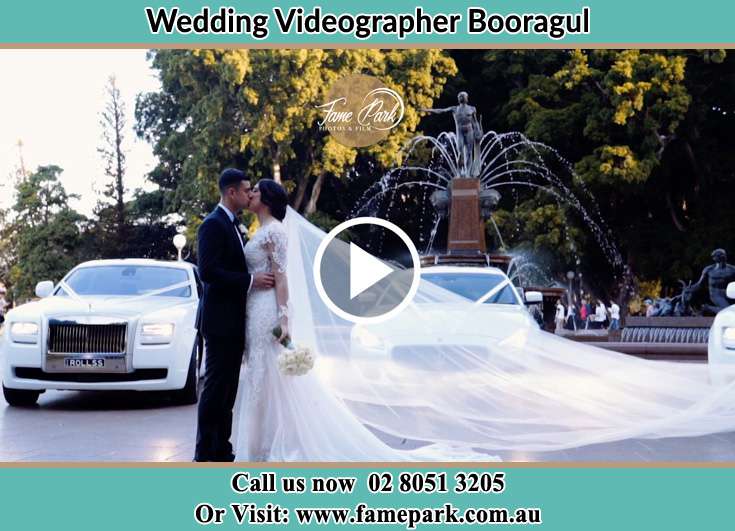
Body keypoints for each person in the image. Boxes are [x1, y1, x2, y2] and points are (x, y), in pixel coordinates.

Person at [193, 168, 275, 462]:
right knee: (215, 388)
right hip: (218, 322)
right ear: (232, 193)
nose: (249, 193)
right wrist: (251, 282)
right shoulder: (212, 225)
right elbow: (208, 272)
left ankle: (222, 448)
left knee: (228, 389)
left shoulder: (234, 225)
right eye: (245, 189)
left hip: (235, 321)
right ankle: (204, 453)